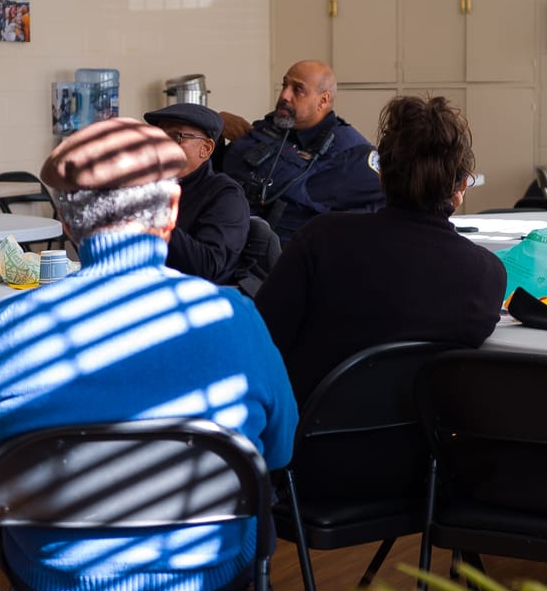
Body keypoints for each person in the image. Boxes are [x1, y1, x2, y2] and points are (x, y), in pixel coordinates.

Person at [0, 117, 296, 591]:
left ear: (66, 222)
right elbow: (281, 450)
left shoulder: (6, 326)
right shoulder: (232, 319)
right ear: (172, 209)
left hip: (55, 570)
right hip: (207, 569)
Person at [257, 95, 506, 399]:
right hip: (417, 440)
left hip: (310, 433)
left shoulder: (323, 238)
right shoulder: (487, 275)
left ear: (382, 175)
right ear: (462, 187)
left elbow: (261, 339)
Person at [220, 60, 383, 243]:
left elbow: (382, 214)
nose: (284, 95)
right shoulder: (268, 128)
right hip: (229, 240)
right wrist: (215, 127)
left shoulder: (352, 154)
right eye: (284, 85)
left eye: (297, 89)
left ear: (323, 100)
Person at [141, 102, 250, 285]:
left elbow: (207, 267)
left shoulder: (225, 196)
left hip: (193, 303)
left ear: (206, 149)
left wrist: (153, 218)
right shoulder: (149, 186)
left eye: (176, 136)